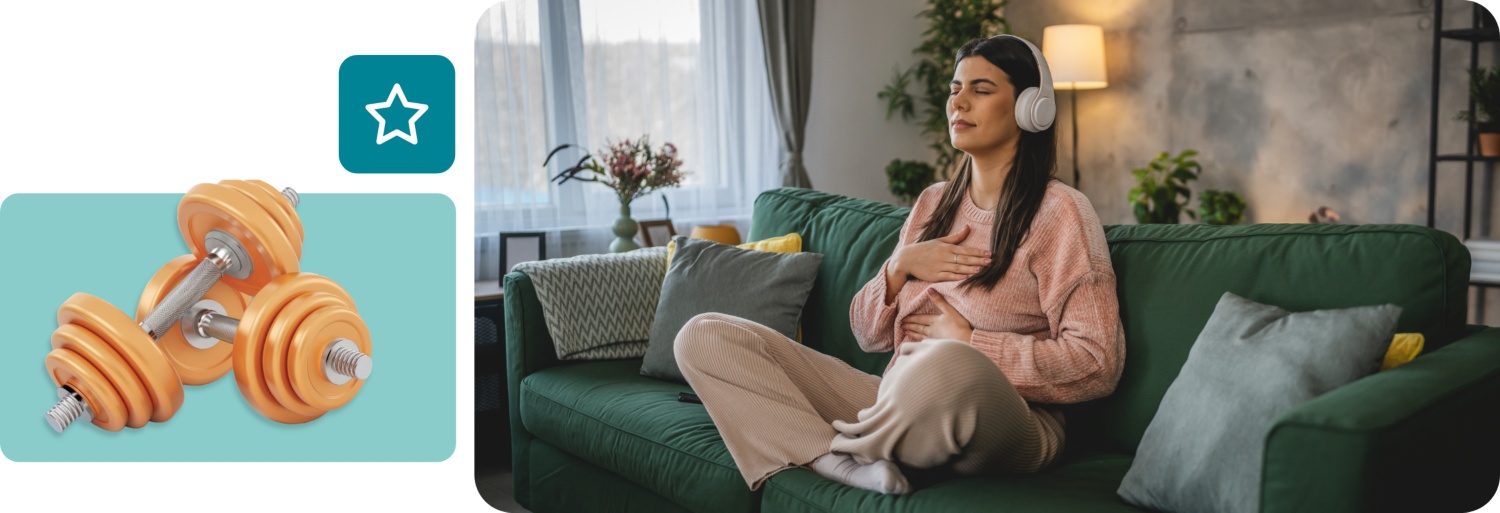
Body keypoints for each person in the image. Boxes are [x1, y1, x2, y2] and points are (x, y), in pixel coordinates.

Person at [674, 34, 1126, 495]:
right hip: (898, 396)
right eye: (955, 89)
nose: (959, 103)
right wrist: (899, 266)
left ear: (1032, 108)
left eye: (981, 90)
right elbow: (868, 334)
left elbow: (1096, 363)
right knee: (704, 335)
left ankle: (841, 440)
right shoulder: (933, 203)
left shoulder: (1061, 213)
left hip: (1012, 421)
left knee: (948, 360)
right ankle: (838, 459)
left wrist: (973, 343)